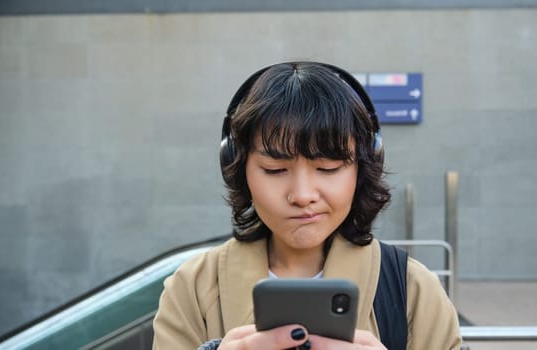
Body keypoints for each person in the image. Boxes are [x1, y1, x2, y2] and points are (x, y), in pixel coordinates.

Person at [152, 61, 462, 350]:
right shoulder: (192, 288)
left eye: (327, 168)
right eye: (275, 170)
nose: (302, 195)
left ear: (363, 169)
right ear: (238, 166)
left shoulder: (412, 290)